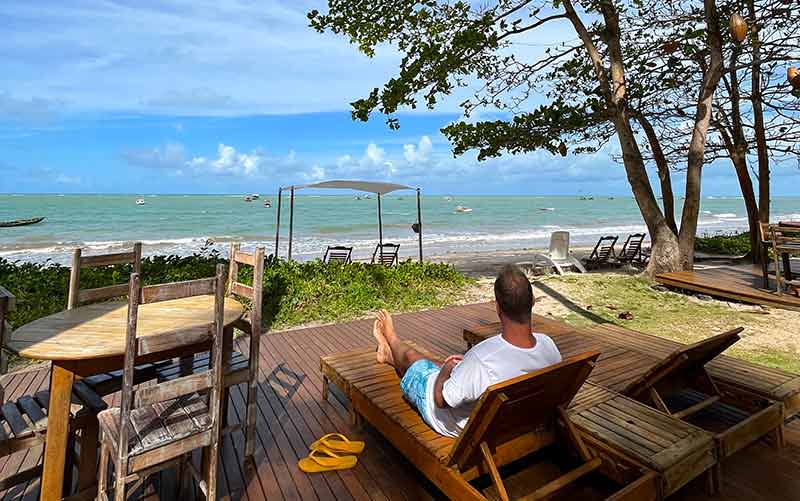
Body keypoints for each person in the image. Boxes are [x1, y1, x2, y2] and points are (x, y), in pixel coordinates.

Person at [372, 264, 562, 438]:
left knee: (414, 359)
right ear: (533, 302)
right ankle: (387, 355)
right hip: (516, 422)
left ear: (497, 307)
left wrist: (446, 370)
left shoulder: (482, 359)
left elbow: (440, 400)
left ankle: (391, 338)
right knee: (441, 365)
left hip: (452, 420)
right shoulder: (548, 346)